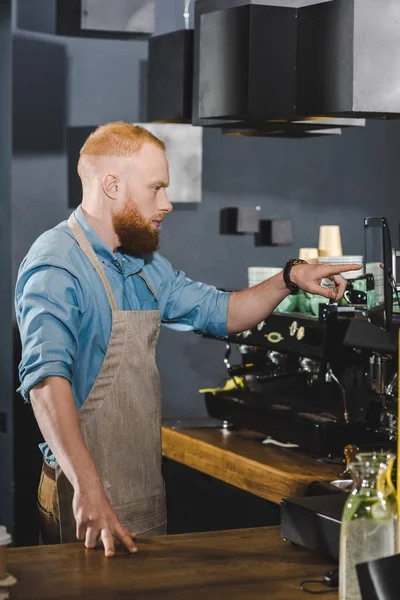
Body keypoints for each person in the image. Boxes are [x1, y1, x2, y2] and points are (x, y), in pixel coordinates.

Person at [15, 122, 361, 557]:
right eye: (156, 188)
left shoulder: (145, 264)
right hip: (83, 492)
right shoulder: (56, 266)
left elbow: (224, 312)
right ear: (111, 184)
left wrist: (290, 278)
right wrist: (88, 489)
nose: (168, 203)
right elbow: (46, 383)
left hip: (141, 487)